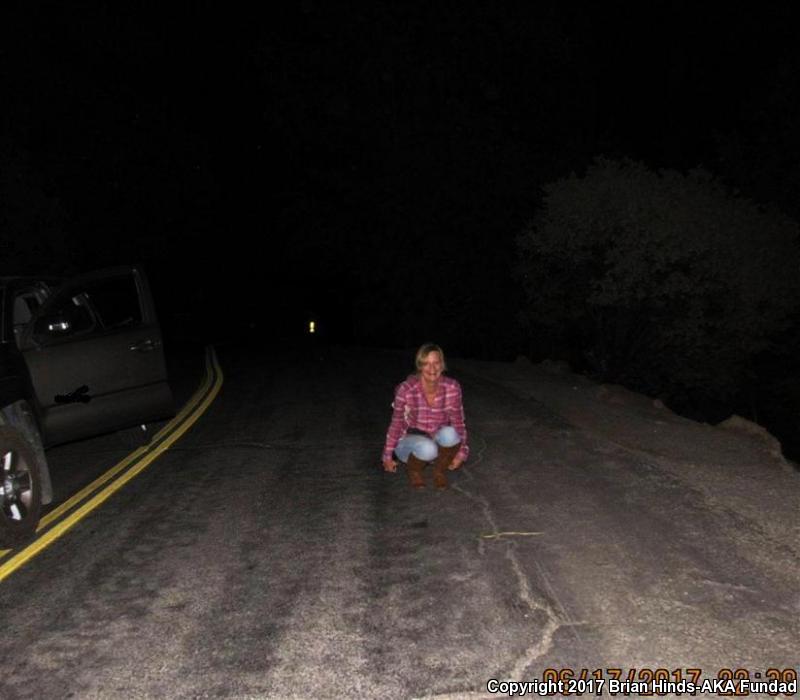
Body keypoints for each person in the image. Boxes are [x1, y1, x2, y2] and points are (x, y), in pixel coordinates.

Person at [382, 343, 469, 489]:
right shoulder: (406, 389)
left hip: (435, 438)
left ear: (442, 365)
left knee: (452, 433)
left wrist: (462, 452)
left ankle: (439, 472)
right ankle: (414, 470)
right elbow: (396, 423)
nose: (432, 369)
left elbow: (459, 422)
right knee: (428, 448)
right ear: (420, 366)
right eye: (426, 364)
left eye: (436, 363)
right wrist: (387, 455)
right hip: (409, 442)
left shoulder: (453, 387)